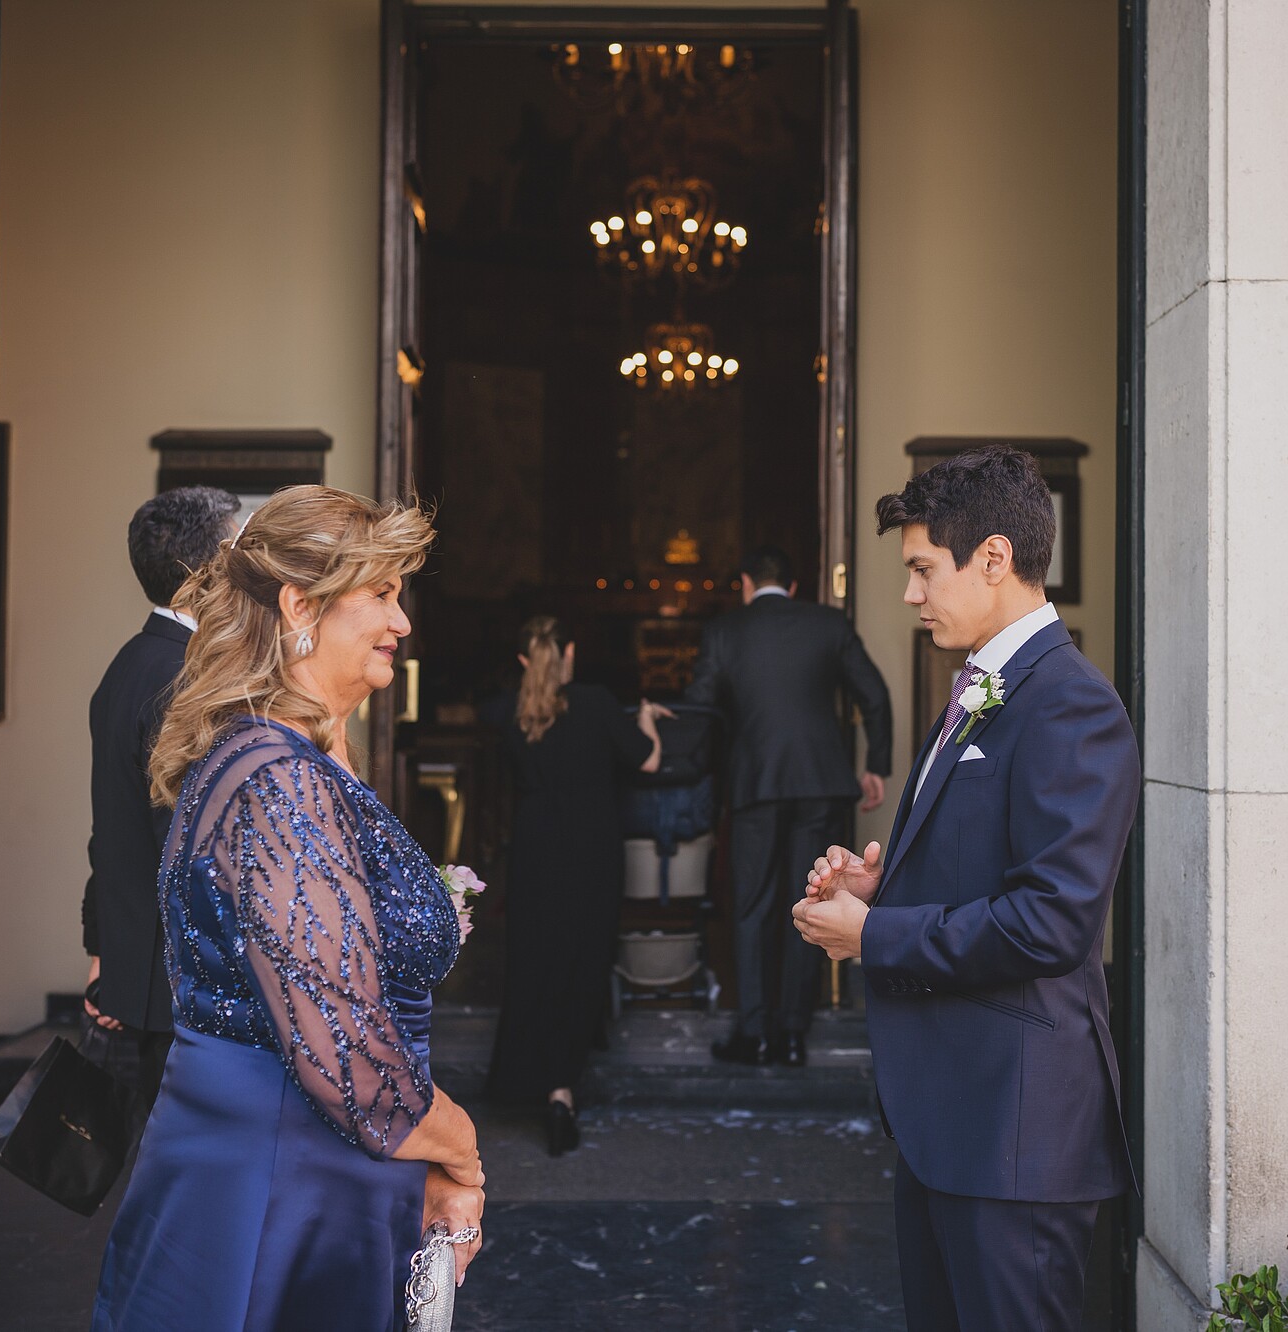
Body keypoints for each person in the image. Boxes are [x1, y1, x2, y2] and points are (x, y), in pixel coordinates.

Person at [90, 486, 485, 1331]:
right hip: (282, 1179)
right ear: (300, 605)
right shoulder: (278, 781)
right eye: (380, 594)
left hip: (308, 1161)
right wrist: (462, 1151)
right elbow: (348, 1059)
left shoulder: (286, 752)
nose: (402, 621)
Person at [795, 448, 1137, 1332]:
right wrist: (885, 883)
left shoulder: (1070, 703)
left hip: (1016, 1135)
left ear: (993, 557)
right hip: (953, 1125)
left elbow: (1053, 922)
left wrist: (873, 936)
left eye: (920, 570)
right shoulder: (989, 684)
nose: (910, 594)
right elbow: (989, 865)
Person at [684, 546, 892, 1067]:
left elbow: (700, 706)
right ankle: (794, 1035)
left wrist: (681, 763)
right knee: (815, 900)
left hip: (756, 782)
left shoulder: (725, 631)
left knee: (752, 906)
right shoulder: (828, 623)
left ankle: (753, 1032)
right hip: (820, 782)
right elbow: (875, 695)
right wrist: (876, 764)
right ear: (794, 587)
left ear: (746, 584)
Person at [80, 485, 240, 1106]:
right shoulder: (183, 681)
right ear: (211, 571)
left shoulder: (132, 662)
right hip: (176, 988)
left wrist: (103, 953)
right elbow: (190, 850)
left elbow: (107, 828)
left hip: (141, 972)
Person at [483, 616, 665, 1156]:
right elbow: (648, 760)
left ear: (522, 661)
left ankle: (529, 1080)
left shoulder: (505, 711)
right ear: (570, 653)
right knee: (583, 961)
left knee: (536, 961)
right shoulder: (597, 702)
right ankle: (563, 1088)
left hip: (537, 848)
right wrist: (649, 718)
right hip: (592, 848)